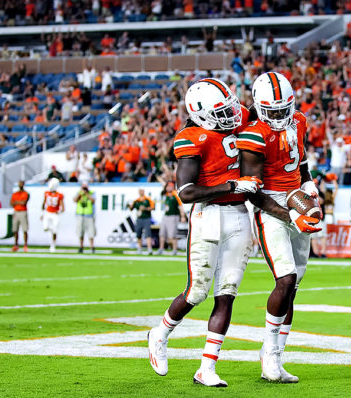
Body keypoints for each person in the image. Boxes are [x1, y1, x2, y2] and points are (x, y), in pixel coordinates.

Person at [147, 78, 262, 387]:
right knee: (198, 292)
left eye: (231, 108)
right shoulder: (191, 137)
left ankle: (207, 368)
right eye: (222, 112)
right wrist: (231, 185)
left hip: (239, 214)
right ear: (201, 114)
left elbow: (257, 110)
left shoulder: (236, 119)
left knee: (227, 293)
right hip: (209, 215)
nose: (232, 116)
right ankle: (159, 334)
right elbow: (185, 191)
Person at [237, 71, 321, 383]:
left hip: (295, 197)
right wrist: (289, 214)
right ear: (259, 106)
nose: (279, 116)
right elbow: (252, 191)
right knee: (284, 279)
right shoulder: (254, 134)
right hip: (269, 205)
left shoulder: (298, 120)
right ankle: (268, 353)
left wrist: (309, 185)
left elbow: (301, 161)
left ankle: (279, 356)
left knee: (293, 287)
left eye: (283, 109)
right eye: (272, 111)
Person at [158, 182, 185, 255]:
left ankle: (174, 249)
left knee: (172, 234)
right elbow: (162, 183)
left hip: (173, 216)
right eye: (168, 186)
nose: (168, 188)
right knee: (162, 233)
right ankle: (161, 248)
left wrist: (182, 216)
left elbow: (180, 206)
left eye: (170, 186)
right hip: (166, 215)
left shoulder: (175, 194)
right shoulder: (166, 194)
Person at [42, 178, 65, 253]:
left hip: (54, 214)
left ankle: (53, 245)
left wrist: (58, 211)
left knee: (54, 231)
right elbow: (43, 204)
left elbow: (62, 207)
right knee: (45, 228)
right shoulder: (46, 193)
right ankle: (51, 228)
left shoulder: (59, 195)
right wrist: (42, 213)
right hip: (48, 213)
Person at [129, 188, 154, 255]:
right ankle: (139, 248)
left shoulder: (148, 199)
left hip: (146, 218)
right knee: (138, 234)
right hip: (139, 219)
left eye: (142, 191)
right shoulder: (136, 200)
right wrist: (130, 206)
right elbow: (131, 209)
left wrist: (145, 208)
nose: (141, 192)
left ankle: (149, 248)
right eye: (140, 191)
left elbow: (152, 207)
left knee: (147, 234)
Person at [74, 182, 96, 253]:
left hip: (89, 215)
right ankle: (81, 247)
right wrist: (80, 193)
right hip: (80, 215)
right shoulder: (79, 193)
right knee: (80, 232)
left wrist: (87, 193)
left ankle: (92, 247)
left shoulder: (91, 193)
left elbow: (93, 200)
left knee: (91, 232)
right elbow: (75, 200)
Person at [10, 181, 30, 252]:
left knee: (24, 229)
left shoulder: (26, 193)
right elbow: (12, 203)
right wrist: (19, 202)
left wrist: (17, 202)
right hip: (16, 211)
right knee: (15, 230)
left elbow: (24, 202)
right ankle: (16, 245)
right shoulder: (15, 193)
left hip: (23, 211)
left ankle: (25, 245)